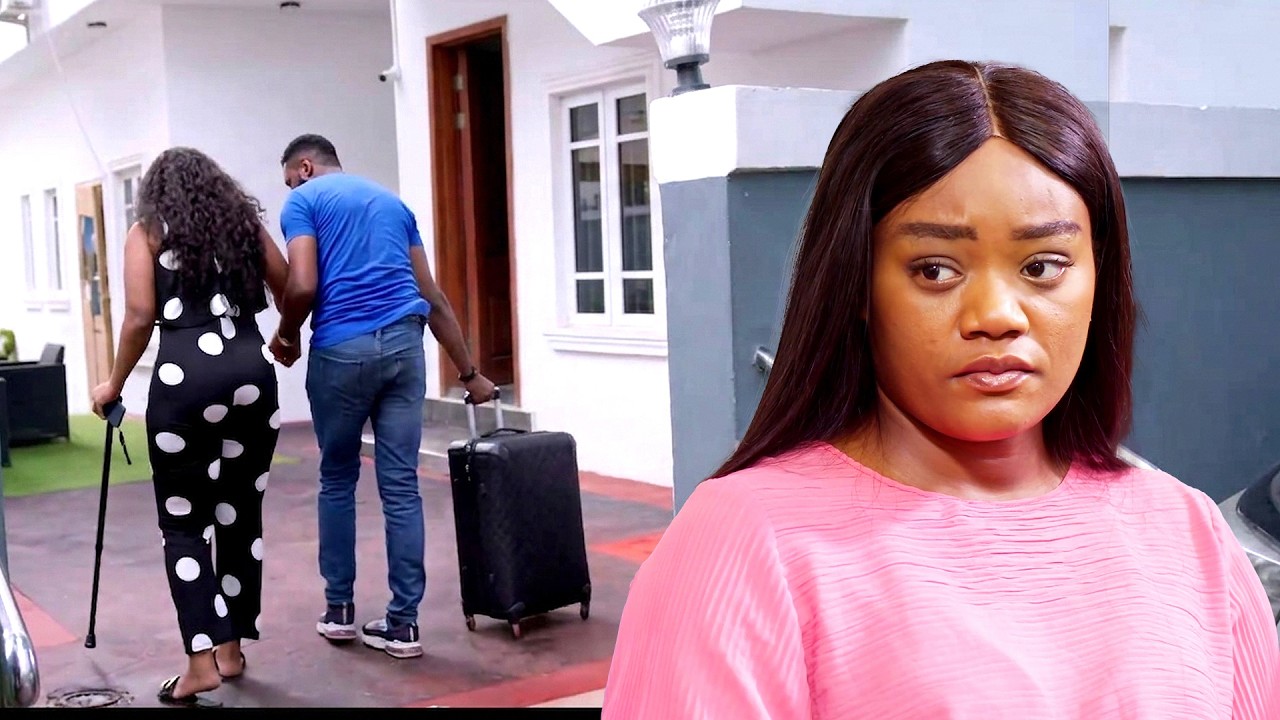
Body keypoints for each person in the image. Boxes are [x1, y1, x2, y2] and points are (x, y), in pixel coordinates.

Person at [602, 60, 1280, 718]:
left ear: (1098, 279)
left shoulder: (1189, 532)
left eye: (1042, 266)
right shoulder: (744, 547)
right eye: (934, 270)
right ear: (856, 283)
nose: (996, 316)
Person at [270, 134, 496, 659]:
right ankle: (403, 625)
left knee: (337, 479)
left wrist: (285, 335)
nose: (290, 189)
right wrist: (470, 375)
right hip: (403, 348)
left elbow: (301, 285)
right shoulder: (394, 205)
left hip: (342, 352)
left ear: (305, 167)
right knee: (401, 486)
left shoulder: (304, 202)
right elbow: (432, 296)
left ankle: (339, 612)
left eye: (289, 180)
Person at [91, 147, 289, 708]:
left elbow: (138, 316)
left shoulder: (147, 234)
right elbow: (290, 285)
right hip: (252, 374)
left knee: (183, 524)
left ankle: (200, 664)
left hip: (186, 382)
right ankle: (232, 650)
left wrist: (113, 384)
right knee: (239, 514)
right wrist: (287, 335)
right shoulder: (244, 227)